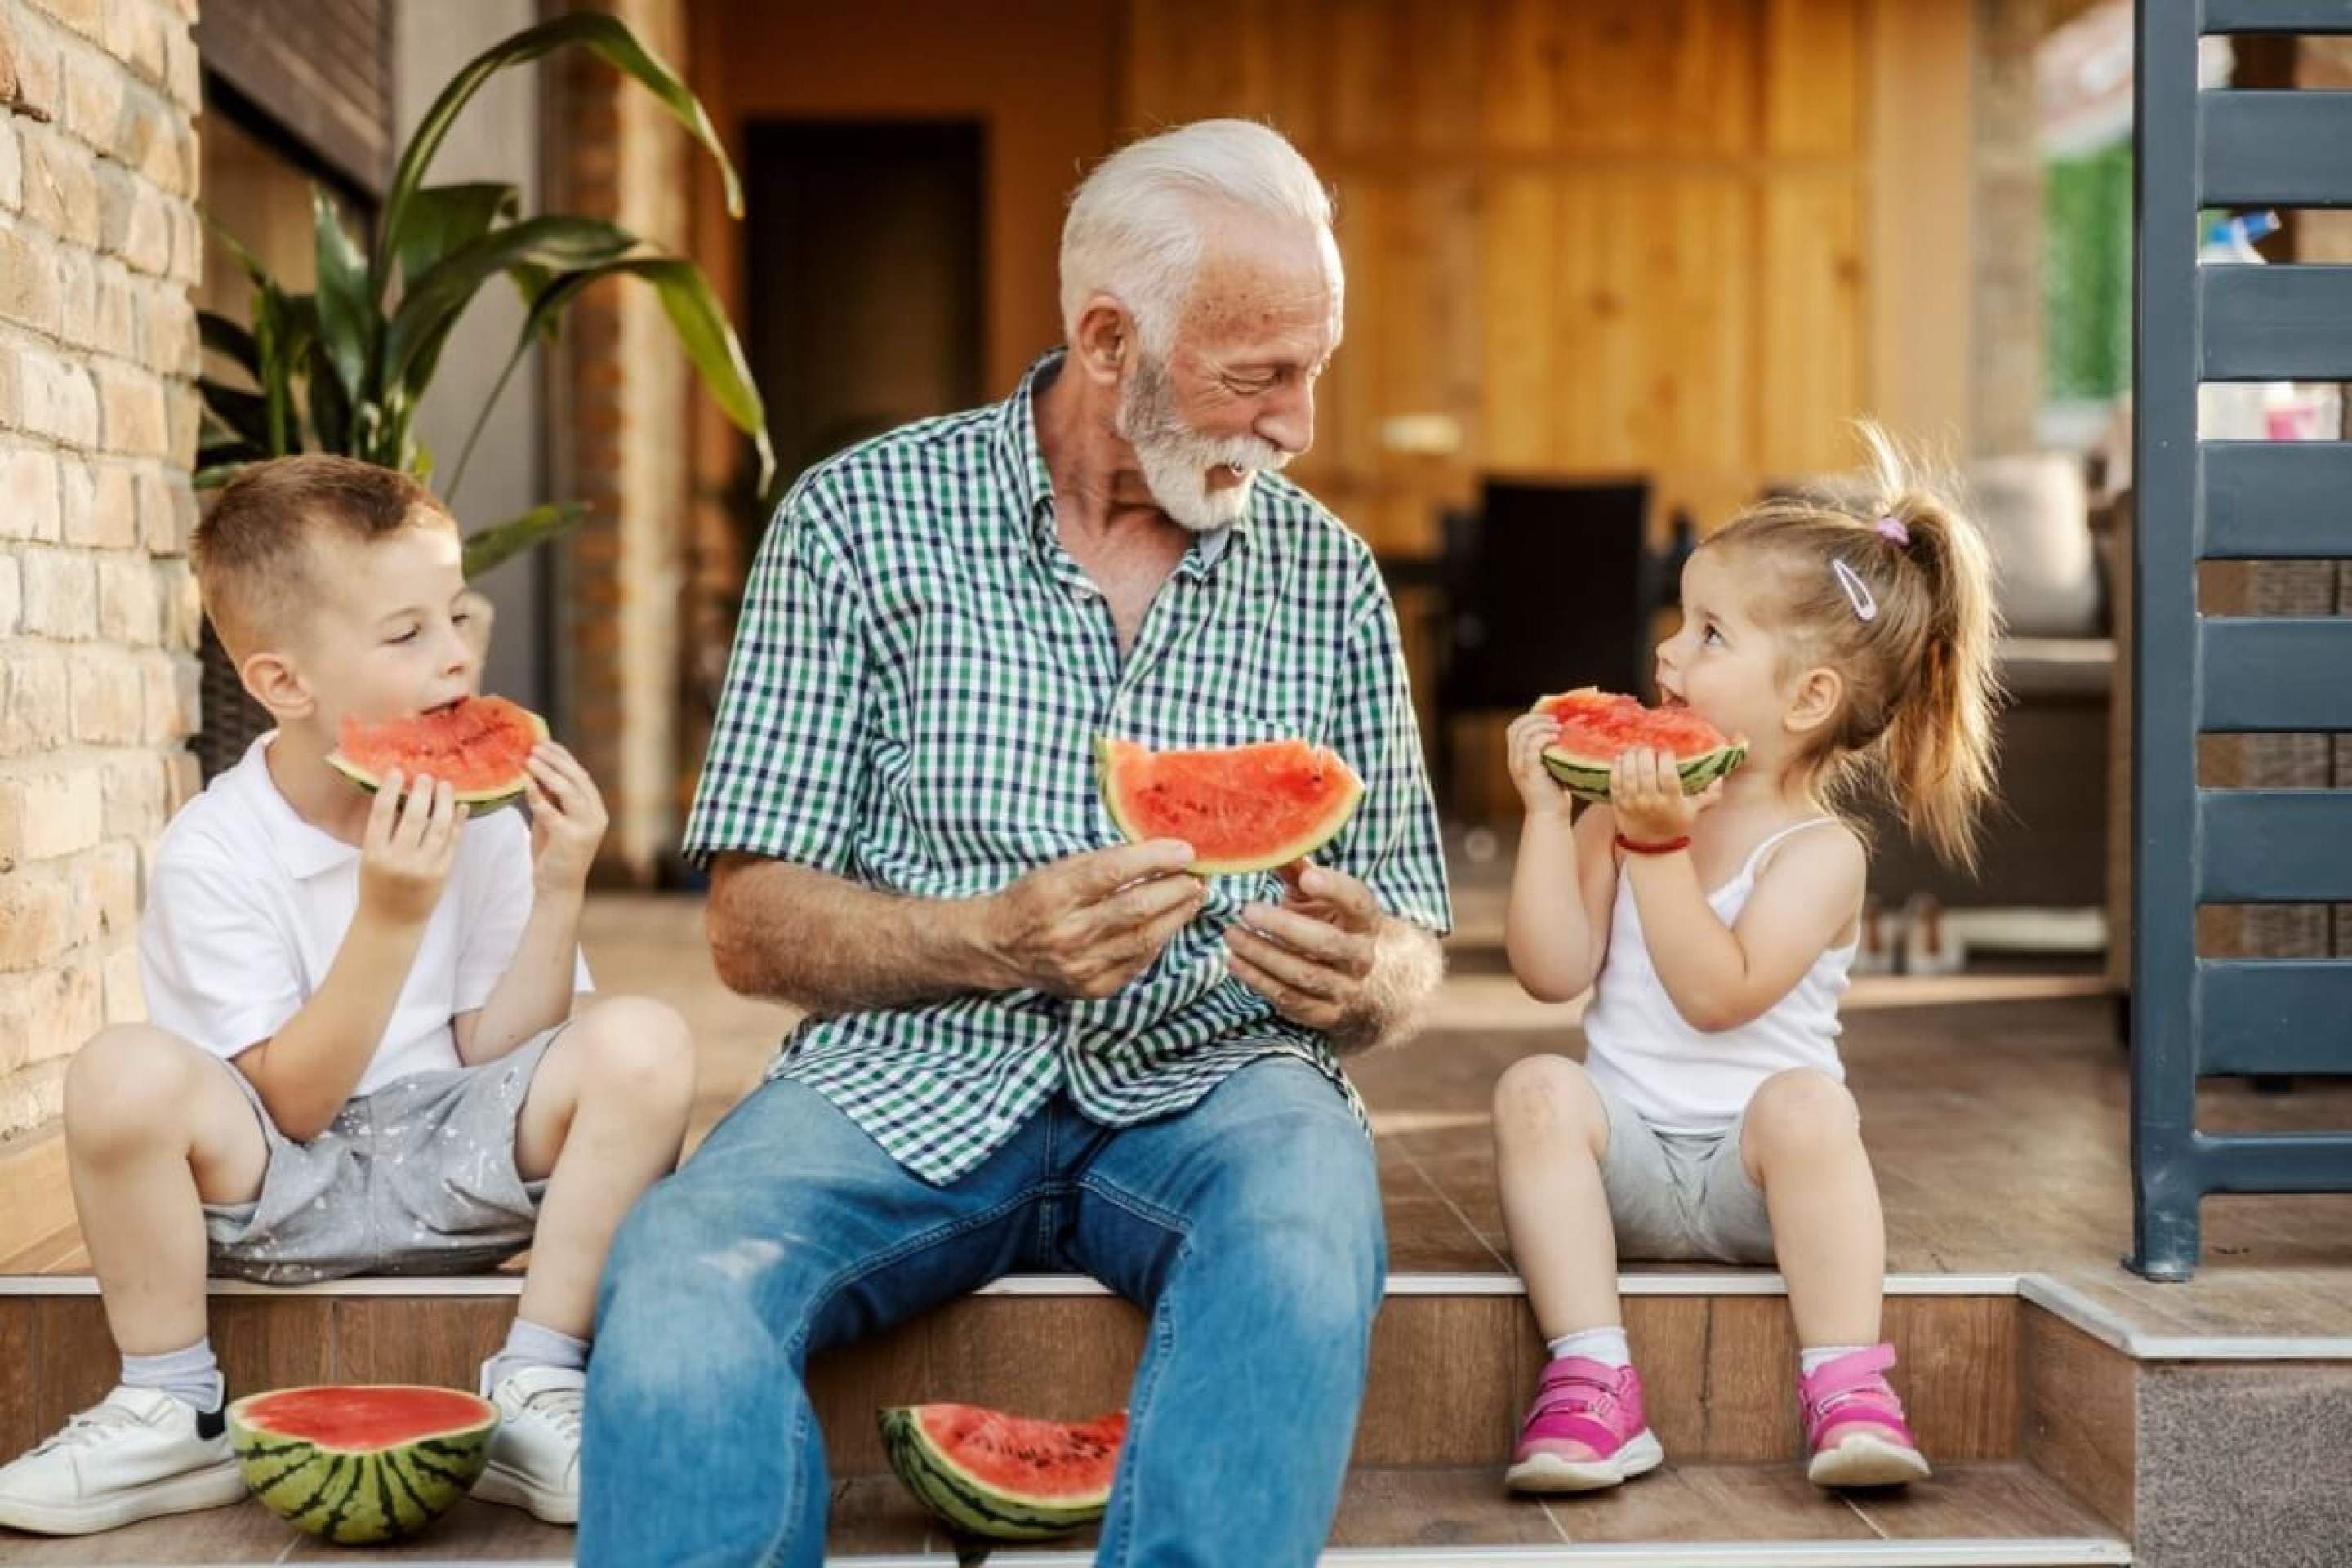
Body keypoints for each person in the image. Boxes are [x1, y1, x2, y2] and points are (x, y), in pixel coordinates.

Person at [581, 119, 1452, 1566]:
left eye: (1317, 369)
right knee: (677, 1270)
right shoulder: (855, 523)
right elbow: (748, 924)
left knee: (1306, 1235)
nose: (1301, 425)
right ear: (1109, 341)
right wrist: (983, 939)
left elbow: (1414, 940)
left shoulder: (1328, 575)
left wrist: (1367, 973)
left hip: (1214, 1080)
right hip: (903, 1074)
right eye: (1260, 376)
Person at [0, 457, 695, 1535]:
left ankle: (541, 1380)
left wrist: (559, 884)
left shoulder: (486, 822)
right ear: (285, 684)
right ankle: (169, 1404)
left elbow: (495, 1049)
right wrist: (390, 919)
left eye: (456, 615)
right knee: (117, 1072)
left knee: (643, 1039)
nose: (458, 654)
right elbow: (288, 1108)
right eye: (405, 633)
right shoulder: (217, 851)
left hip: (468, 1172)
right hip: (278, 1188)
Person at [1490, 429, 1999, 1494]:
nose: (1668, 655)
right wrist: (1549, 817)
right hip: (1620, 1164)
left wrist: (1655, 847)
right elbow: (1551, 969)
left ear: (1808, 699)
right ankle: (1592, 1381)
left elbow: (1716, 995)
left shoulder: (1819, 857)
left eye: (1710, 633)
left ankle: (1850, 1386)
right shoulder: (1621, 810)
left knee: (1811, 1106)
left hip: (1757, 1184)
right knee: (1535, 1086)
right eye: (1680, 623)